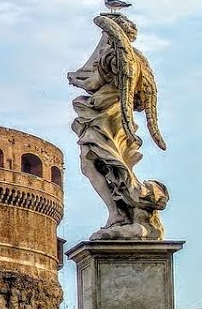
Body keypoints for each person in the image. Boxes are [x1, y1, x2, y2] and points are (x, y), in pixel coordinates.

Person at [67, 13, 169, 240]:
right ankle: (125, 211)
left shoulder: (113, 54)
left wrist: (75, 79)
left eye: (105, 34)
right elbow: (142, 101)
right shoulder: (138, 60)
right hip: (119, 117)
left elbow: (93, 83)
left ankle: (116, 214)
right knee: (112, 163)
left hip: (104, 116)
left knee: (91, 163)